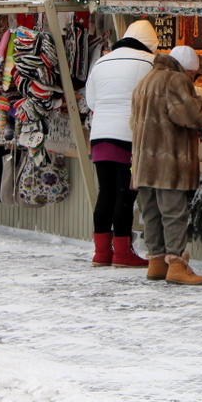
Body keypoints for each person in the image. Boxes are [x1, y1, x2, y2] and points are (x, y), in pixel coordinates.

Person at [130, 45, 202, 285]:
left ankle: (156, 263)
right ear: (187, 70)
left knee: (152, 212)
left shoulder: (146, 79)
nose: (192, 78)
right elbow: (192, 116)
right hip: (169, 160)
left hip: (145, 159)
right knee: (174, 212)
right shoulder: (175, 81)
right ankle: (176, 265)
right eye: (193, 74)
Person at [84, 20, 158, 268]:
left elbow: (91, 101)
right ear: (151, 43)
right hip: (129, 137)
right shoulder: (149, 63)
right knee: (125, 194)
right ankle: (123, 253)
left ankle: (101, 252)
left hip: (100, 136)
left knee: (106, 192)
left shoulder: (102, 60)